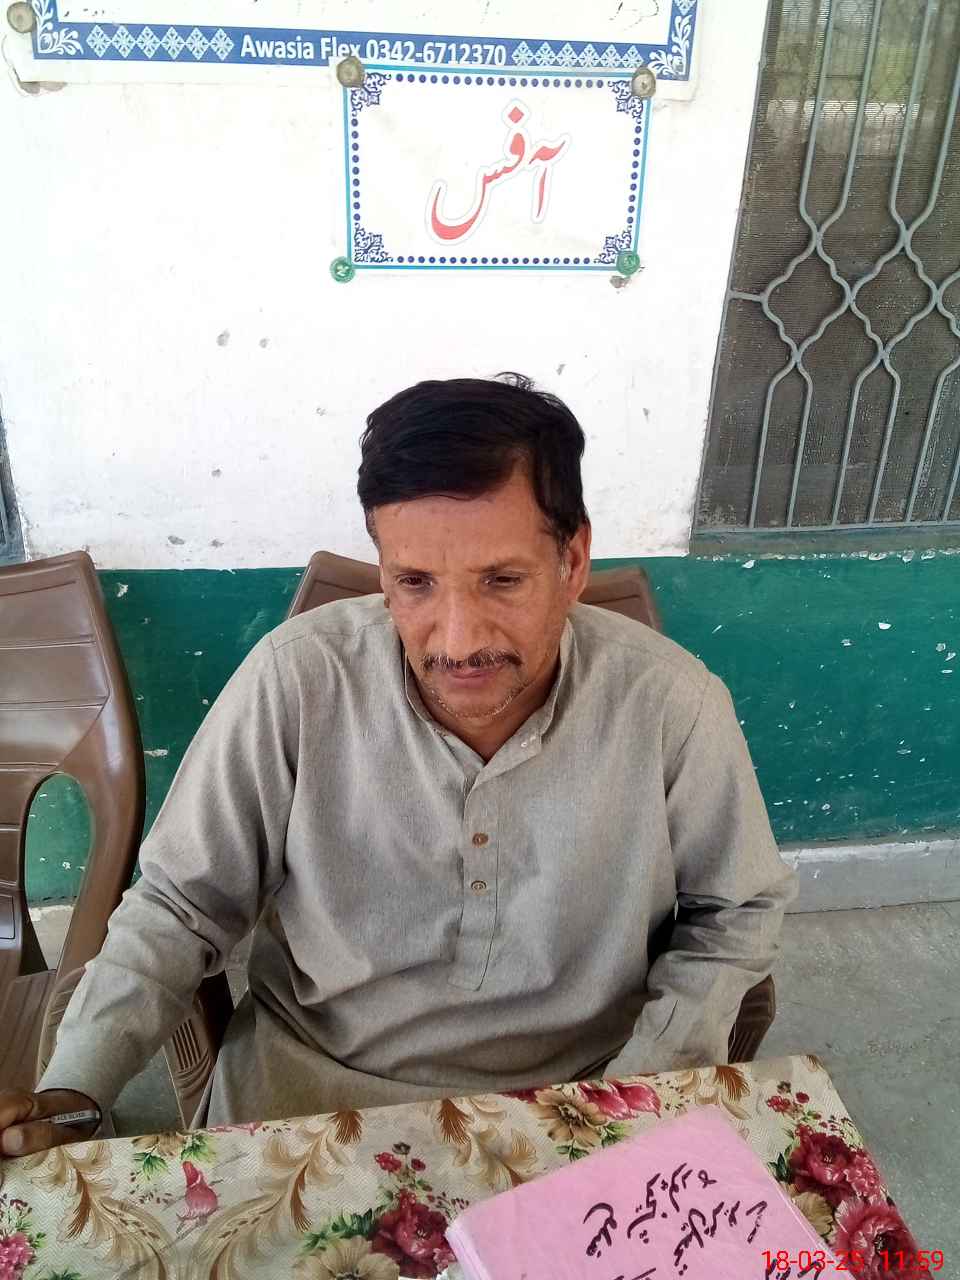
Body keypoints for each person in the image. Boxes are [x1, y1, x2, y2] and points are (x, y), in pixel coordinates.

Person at [0, 374, 796, 1158]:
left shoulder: (671, 703)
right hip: (305, 1096)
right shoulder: (297, 681)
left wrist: (641, 1093)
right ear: (382, 572)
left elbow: (735, 913)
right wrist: (75, 1091)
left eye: (503, 580)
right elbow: (180, 906)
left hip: (576, 1105)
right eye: (415, 583)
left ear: (574, 560)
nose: (458, 640)